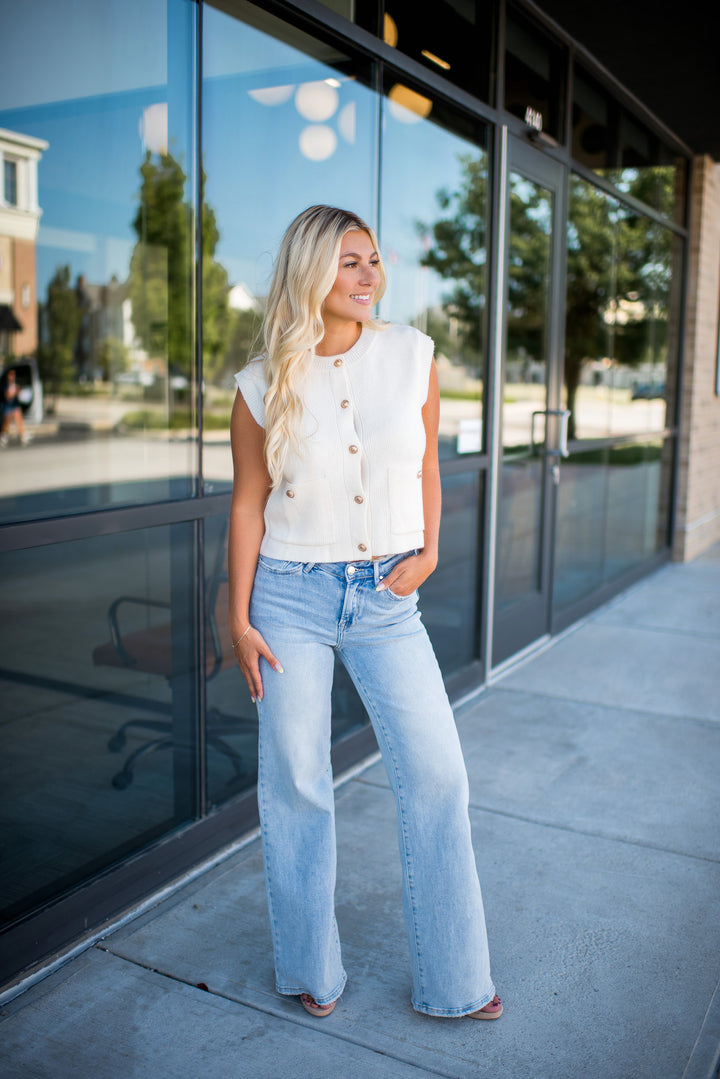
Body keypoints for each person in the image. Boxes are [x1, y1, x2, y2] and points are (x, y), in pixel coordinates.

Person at [228, 205, 501, 1021]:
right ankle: (312, 968)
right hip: (288, 595)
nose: (369, 274)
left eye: (373, 259)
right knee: (298, 783)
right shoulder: (259, 382)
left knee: (438, 776)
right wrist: (239, 618)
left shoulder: (412, 356)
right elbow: (248, 504)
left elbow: (426, 468)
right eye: (350, 261)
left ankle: (458, 979)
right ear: (313, 270)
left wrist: (429, 552)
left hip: (386, 596)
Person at [0, 369, 31, 446]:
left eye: (13, 374)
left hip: (14, 405)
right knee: (6, 422)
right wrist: (14, 392)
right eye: (11, 374)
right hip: (7, 405)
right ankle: (3, 435)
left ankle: (23, 435)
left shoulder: (15, 383)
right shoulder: (5, 384)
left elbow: (18, 394)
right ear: (8, 376)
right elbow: (7, 396)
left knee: (19, 418)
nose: (12, 376)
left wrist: (18, 391)